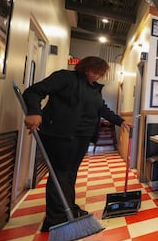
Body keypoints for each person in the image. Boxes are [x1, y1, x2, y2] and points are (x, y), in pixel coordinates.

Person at [23, 56, 131, 232]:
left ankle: (69, 208)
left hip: (82, 136)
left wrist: (120, 121)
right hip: (61, 135)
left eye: (100, 73)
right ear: (85, 68)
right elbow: (33, 91)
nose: (97, 76)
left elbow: (101, 108)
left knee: (70, 174)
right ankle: (55, 218)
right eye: (95, 71)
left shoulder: (94, 89)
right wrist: (35, 112)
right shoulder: (65, 77)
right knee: (61, 174)